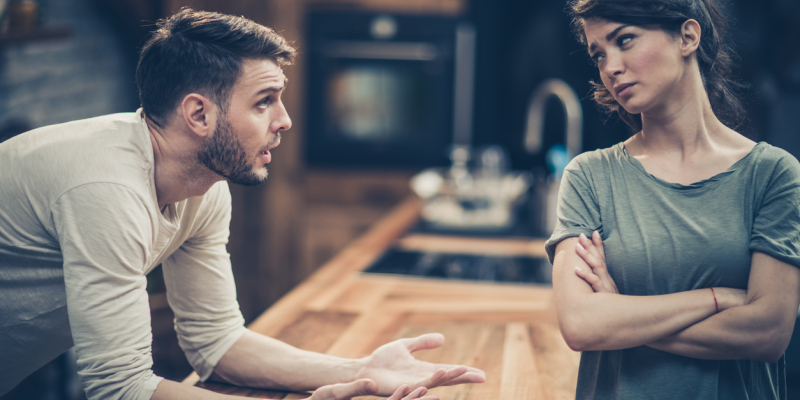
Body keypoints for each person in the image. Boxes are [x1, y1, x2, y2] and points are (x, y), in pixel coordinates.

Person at [0, 8, 485, 400]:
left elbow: (215, 343)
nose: (285, 120)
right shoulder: (106, 188)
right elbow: (120, 388)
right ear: (198, 113)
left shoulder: (204, 187)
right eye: (264, 101)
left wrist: (361, 369)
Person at [545, 0, 800, 399]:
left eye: (624, 40)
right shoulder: (590, 176)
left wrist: (620, 311)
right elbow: (581, 324)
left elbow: (768, 333)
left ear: (687, 36)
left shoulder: (772, 175)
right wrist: (716, 300)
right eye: (599, 54)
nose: (610, 67)